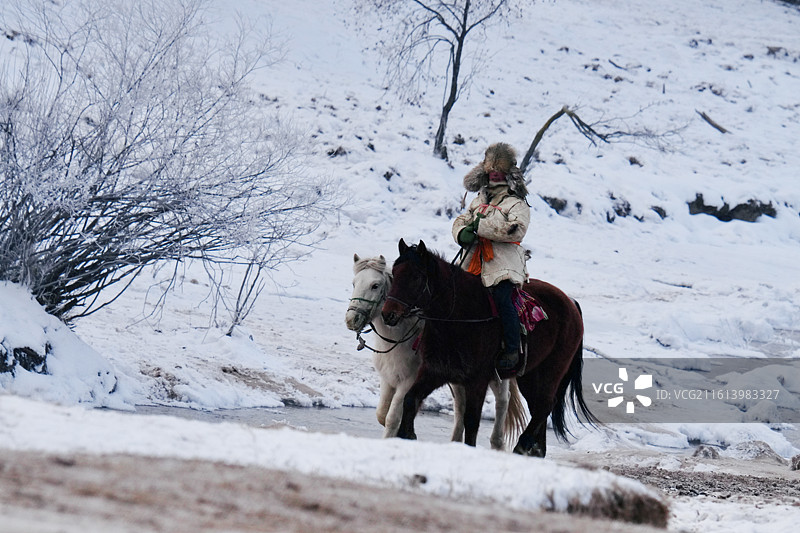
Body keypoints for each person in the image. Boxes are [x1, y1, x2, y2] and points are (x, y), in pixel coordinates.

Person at [451, 142, 530, 373]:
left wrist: (481, 226)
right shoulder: (479, 199)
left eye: (499, 169)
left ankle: (512, 349)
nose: (495, 173)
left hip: (502, 263)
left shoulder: (516, 203)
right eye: (491, 168)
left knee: (502, 298)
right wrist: (461, 232)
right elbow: (462, 220)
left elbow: (517, 229)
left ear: (508, 172)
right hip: (472, 260)